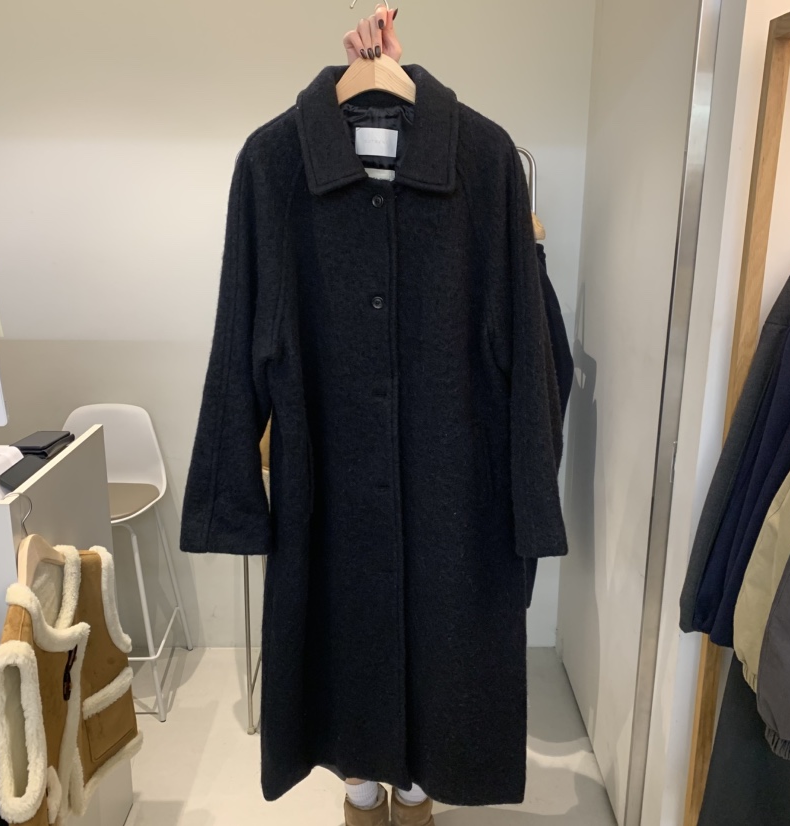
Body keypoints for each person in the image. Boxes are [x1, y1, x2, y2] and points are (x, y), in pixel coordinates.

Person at [337, 10, 435, 826]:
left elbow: (523, 349)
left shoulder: (484, 164)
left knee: (433, 637)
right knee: (346, 633)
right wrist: (238, 501)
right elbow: (242, 338)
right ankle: (365, 787)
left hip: (448, 481)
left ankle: (409, 786)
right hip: (329, 476)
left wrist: (525, 508)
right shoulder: (272, 167)